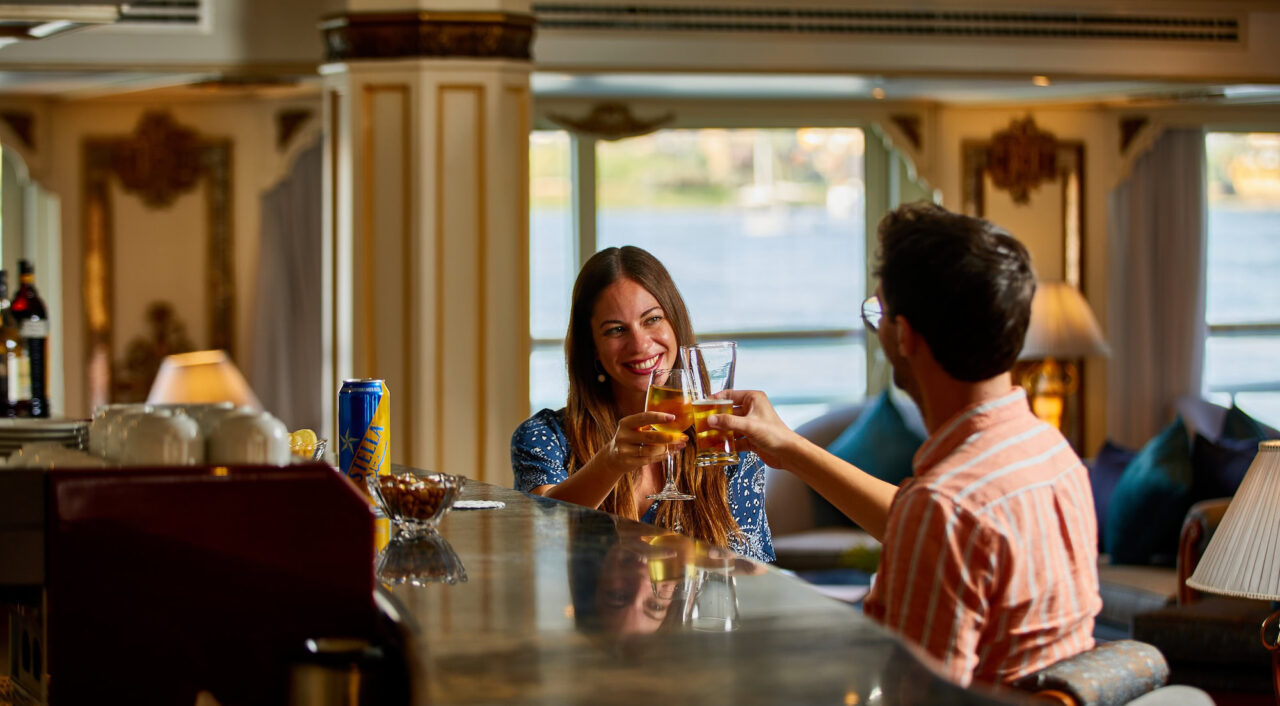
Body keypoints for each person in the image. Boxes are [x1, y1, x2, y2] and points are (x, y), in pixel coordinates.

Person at [709, 203, 1100, 686]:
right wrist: (789, 448)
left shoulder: (945, 506)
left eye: (879, 314)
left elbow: (914, 697)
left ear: (906, 335)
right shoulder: (1053, 454)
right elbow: (937, 536)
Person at [512, 246, 774, 562]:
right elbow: (541, 536)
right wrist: (610, 462)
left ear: (675, 324)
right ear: (593, 348)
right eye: (616, 330)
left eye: (652, 319)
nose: (639, 344)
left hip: (704, 612)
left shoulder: (725, 441)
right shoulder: (546, 436)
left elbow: (753, 571)